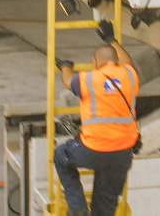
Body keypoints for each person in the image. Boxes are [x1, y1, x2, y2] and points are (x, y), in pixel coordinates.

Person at [53, 21, 140, 216]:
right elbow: (129, 62)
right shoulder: (129, 76)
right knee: (105, 206)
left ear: (94, 62)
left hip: (93, 150)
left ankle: (78, 210)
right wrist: (112, 40)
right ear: (116, 61)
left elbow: (68, 81)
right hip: (121, 155)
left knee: (60, 156)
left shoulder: (89, 79)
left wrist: (64, 66)